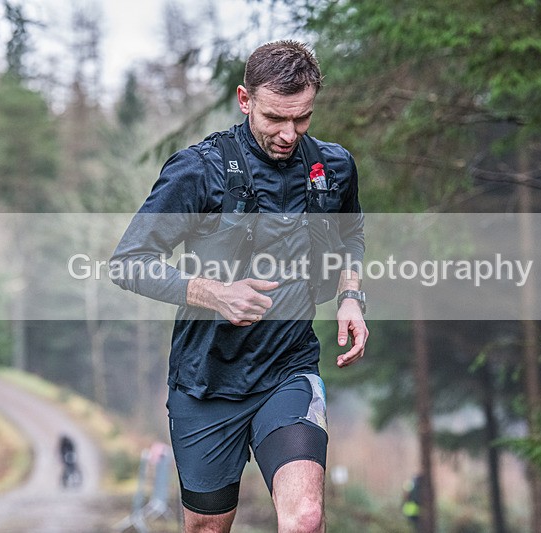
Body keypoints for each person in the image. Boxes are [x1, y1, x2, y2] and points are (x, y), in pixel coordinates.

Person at [111, 40, 368, 532]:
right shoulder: (198, 170)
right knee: (208, 527)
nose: (289, 134)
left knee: (306, 519)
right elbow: (129, 262)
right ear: (244, 99)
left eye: (303, 118)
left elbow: (350, 233)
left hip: (287, 368)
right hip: (206, 381)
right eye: (275, 118)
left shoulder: (332, 167)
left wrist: (350, 295)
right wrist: (213, 292)